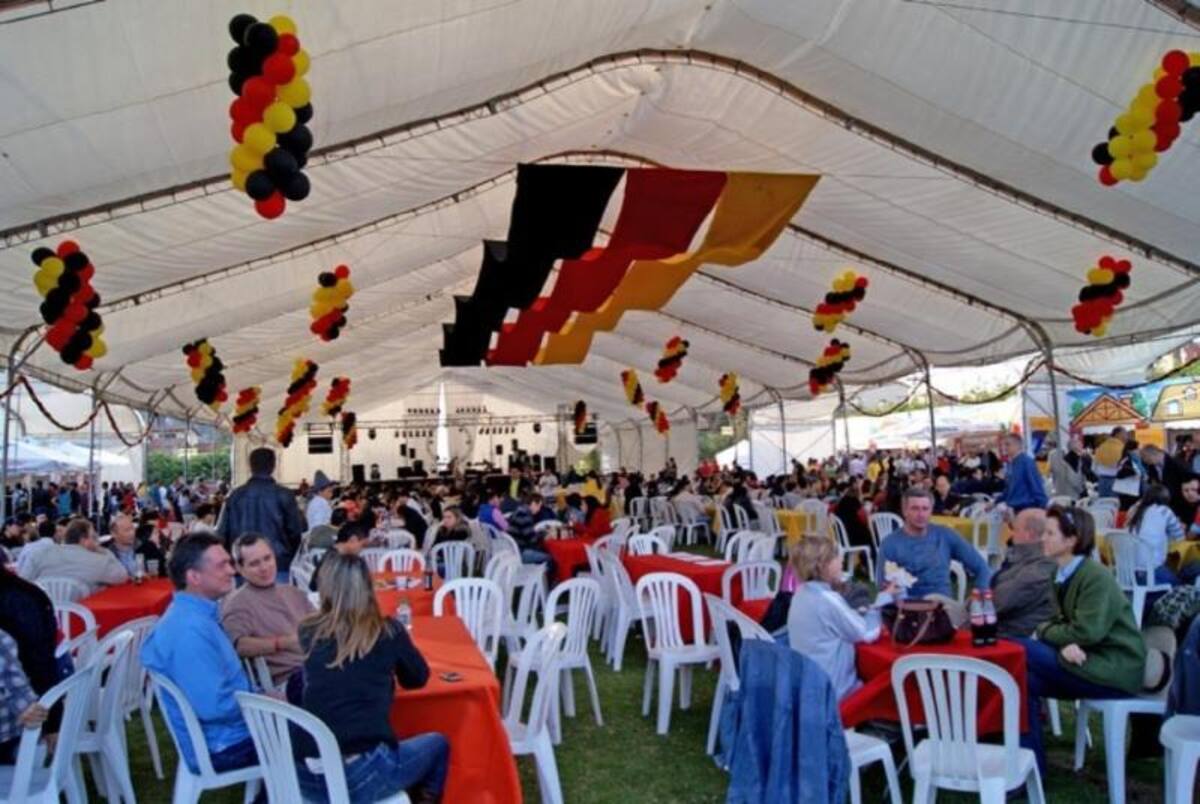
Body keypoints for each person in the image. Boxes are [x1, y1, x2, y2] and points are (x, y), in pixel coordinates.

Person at [297, 553, 449, 803]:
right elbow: (417, 678)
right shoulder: (387, 631)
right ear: (367, 587)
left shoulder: (308, 631)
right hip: (359, 775)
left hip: (305, 775)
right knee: (438, 744)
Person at [1016, 506, 1147, 774]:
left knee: (1019, 647)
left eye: (1050, 533)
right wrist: (1063, 639)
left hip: (1114, 669)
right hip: (1084, 659)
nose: (1043, 538)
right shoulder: (1059, 574)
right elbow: (1059, 622)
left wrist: (1047, 633)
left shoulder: (1095, 576)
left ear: (1071, 540)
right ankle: (1031, 770)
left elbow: (1086, 632)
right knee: (1022, 681)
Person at [140, 533, 258, 774]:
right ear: (194, 577)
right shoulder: (188, 629)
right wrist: (262, 703)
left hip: (232, 732)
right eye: (222, 565)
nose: (232, 571)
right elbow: (215, 707)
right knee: (325, 730)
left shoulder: (195, 616)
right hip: (225, 744)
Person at [786, 537, 892, 700]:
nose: (841, 560)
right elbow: (865, 633)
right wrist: (882, 602)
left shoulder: (800, 595)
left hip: (810, 687)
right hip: (837, 692)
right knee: (887, 686)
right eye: (836, 556)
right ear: (822, 565)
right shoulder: (828, 599)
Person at [222, 533, 313, 695]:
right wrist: (282, 643)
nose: (264, 568)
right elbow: (237, 646)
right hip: (291, 679)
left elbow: (321, 625)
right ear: (240, 569)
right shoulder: (237, 603)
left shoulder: (292, 592)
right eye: (254, 563)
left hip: (317, 666)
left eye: (267, 558)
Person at [876, 487, 991, 602]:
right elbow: (882, 585)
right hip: (906, 605)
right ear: (904, 511)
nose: (921, 514)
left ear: (931, 511)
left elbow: (982, 567)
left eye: (925, 509)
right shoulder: (890, 543)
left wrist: (979, 593)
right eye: (915, 509)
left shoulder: (946, 535)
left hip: (942, 604)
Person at [217, 447, 305, 583]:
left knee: (246, 597)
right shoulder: (284, 495)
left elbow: (221, 533)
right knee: (276, 597)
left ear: (250, 466)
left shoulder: (235, 496)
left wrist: (234, 560)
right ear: (273, 465)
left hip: (243, 564)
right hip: (278, 563)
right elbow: (295, 532)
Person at [990, 508, 1056, 638]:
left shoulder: (1037, 571)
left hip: (1006, 635)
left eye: (1014, 529)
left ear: (1028, 534)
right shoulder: (1031, 560)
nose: (1011, 534)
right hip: (1000, 627)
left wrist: (973, 603)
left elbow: (996, 603)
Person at [21, 517, 128, 594]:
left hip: (43, 615)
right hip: (83, 616)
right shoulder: (98, 561)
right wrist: (104, 551)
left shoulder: (39, 554)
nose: (96, 540)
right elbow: (122, 577)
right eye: (94, 537)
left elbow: (23, 583)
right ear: (84, 540)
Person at [1127, 484, 1186, 586]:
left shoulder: (1135, 510)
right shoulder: (1165, 511)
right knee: (1181, 582)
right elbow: (1180, 537)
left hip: (1130, 573)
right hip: (1153, 571)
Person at [310, 521, 370, 592]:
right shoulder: (335, 560)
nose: (362, 550)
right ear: (353, 540)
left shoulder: (334, 554)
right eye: (363, 545)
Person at [1000, 433, 1047, 513]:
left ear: (1017, 446)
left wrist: (1043, 508)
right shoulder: (1011, 464)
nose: (1004, 448)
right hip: (1013, 509)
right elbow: (1009, 489)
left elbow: (1037, 487)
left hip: (1027, 509)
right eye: (1004, 445)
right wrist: (995, 502)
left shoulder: (1027, 462)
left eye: (1008, 444)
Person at [1047, 435, 1086, 500]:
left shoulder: (1063, 458)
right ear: (1075, 447)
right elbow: (1075, 480)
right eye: (1079, 444)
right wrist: (1082, 491)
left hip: (1060, 494)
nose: (1081, 445)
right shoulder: (1074, 459)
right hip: (1072, 495)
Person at [1093, 426, 1128, 499]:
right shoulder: (1123, 448)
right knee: (1115, 503)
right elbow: (1125, 467)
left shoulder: (1101, 447)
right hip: (1117, 482)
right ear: (1118, 434)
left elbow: (1094, 467)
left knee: (1103, 503)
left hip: (1102, 481)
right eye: (1125, 433)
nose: (1126, 436)